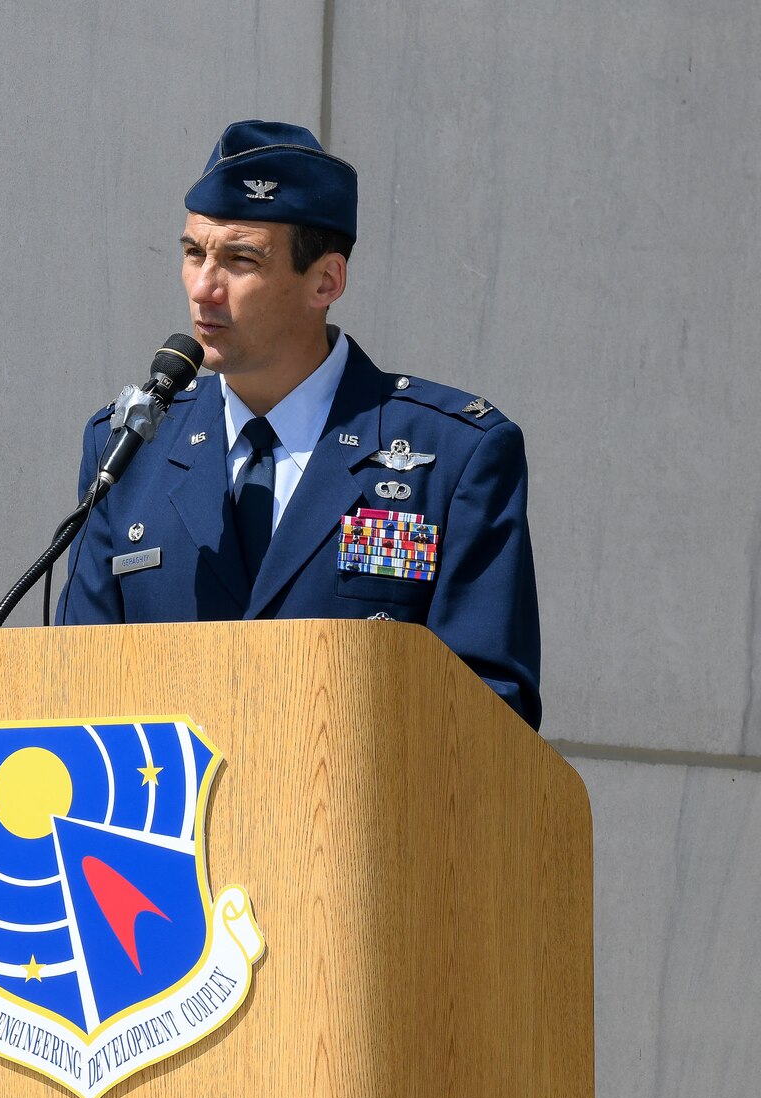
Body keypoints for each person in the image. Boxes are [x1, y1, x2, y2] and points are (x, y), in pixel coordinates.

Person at [55, 120, 542, 728]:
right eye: (192, 253)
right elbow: (75, 696)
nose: (204, 287)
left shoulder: (453, 457)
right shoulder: (129, 448)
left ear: (325, 281)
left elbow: (491, 716)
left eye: (240, 259)